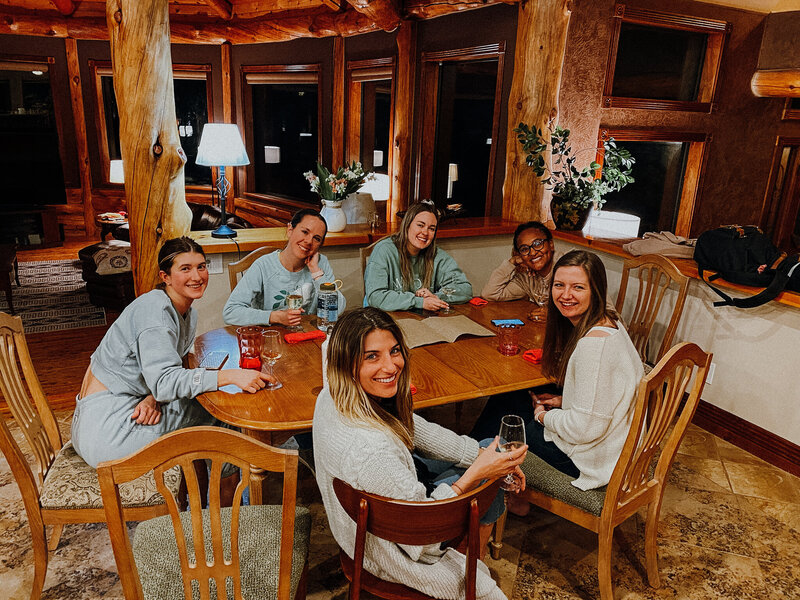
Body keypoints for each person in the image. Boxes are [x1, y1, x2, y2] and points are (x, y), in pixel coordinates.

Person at [313, 307, 527, 600]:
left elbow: (415, 428)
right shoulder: (369, 452)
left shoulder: (336, 393)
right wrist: (481, 472)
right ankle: (471, 560)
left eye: (395, 351)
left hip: (378, 513)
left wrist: (481, 455)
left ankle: (474, 547)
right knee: (485, 480)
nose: (390, 367)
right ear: (346, 363)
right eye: (372, 356)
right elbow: (423, 537)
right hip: (392, 552)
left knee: (489, 445)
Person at [72, 236, 272, 468]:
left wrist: (153, 397)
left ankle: (206, 491)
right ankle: (224, 501)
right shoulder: (154, 311)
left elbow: (164, 374)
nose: (196, 276)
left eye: (201, 267)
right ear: (165, 277)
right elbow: (166, 382)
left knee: (207, 406)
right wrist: (231, 375)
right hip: (109, 431)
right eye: (185, 269)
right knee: (223, 418)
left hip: (113, 413)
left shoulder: (185, 313)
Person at [223, 208, 346, 327]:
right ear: (290, 230)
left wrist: (316, 273)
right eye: (305, 232)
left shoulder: (321, 264)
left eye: (317, 239)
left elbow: (338, 309)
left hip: (310, 338)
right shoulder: (263, 265)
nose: (309, 241)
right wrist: (275, 317)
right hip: (272, 339)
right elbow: (230, 312)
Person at [364, 201, 472, 312]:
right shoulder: (384, 250)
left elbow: (465, 289)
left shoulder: (437, 255)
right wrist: (419, 302)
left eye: (432, 228)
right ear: (407, 225)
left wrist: (436, 297)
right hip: (386, 319)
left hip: (420, 319)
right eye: (420, 225)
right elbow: (375, 297)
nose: (425, 232)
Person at [481, 220, 556, 304]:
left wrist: (551, 314)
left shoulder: (567, 267)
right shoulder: (526, 278)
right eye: (524, 249)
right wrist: (512, 262)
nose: (532, 253)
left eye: (537, 244)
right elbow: (490, 293)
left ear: (551, 244)